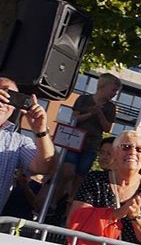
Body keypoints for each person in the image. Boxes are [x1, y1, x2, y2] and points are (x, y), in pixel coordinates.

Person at [70, 129, 141, 245]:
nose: (132, 152)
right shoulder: (95, 179)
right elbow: (76, 220)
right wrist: (118, 213)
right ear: (115, 152)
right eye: (126, 147)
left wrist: (136, 214)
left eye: (139, 149)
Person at [0, 78, 55, 211]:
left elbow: (43, 166)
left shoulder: (17, 141)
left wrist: (41, 131)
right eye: (2, 94)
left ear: (14, 107)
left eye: (10, 97)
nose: (3, 102)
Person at [60, 73, 119, 193]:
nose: (115, 94)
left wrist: (100, 114)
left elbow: (108, 128)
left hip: (92, 144)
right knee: (67, 171)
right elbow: (74, 119)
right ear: (103, 86)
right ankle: (58, 194)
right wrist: (90, 113)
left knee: (81, 175)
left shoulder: (110, 107)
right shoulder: (83, 99)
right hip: (74, 141)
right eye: (113, 90)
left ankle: (71, 200)